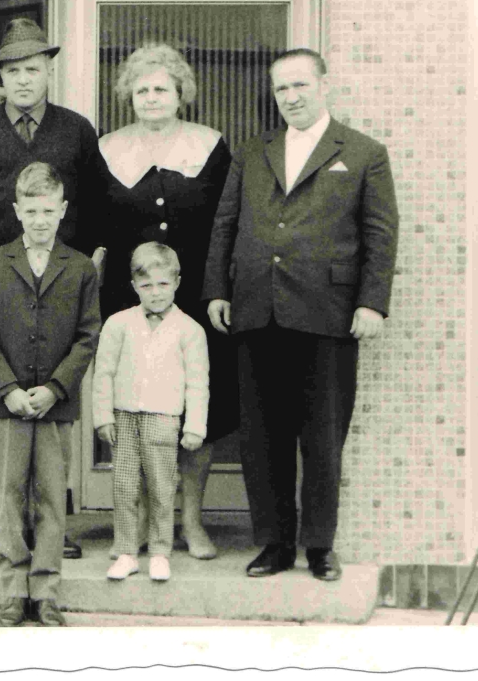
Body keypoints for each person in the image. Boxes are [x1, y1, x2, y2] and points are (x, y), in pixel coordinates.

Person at [202, 48, 399, 582]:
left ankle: (318, 547)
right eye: (281, 89)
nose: (290, 97)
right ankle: (272, 543)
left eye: (299, 86)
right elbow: (226, 223)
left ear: (323, 85)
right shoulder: (253, 151)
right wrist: (218, 289)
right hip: (255, 310)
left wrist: (371, 302)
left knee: (322, 436)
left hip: (328, 314)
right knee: (261, 437)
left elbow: (380, 236)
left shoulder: (362, 153)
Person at [0, 18, 102, 563]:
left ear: (48, 71)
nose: (23, 80)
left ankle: (50, 522)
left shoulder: (76, 131)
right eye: (13, 72)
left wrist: (88, 269)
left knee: (53, 401)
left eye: (33, 69)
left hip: (54, 284)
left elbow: (98, 210)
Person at [91, 44, 235, 560]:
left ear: (180, 94)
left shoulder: (210, 146)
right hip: (126, 301)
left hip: (196, 298)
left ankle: (190, 522)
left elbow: (227, 224)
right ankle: (143, 526)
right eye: (142, 88)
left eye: (162, 88)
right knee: (137, 406)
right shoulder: (106, 149)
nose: (152, 97)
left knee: (200, 410)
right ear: (129, 94)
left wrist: (220, 289)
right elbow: (91, 227)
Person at [0, 162, 101, 627]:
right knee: (8, 493)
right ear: (17, 211)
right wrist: (7, 389)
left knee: (50, 494)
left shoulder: (80, 266)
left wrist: (56, 388)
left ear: (62, 210)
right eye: (31, 210)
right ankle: (13, 590)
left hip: (54, 403)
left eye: (49, 210)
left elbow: (88, 336)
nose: (40, 220)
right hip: (7, 405)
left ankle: (45, 590)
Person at [92, 243, 209, 582]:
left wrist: (195, 426)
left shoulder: (190, 330)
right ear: (133, 286)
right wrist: (103, 416)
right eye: (146, 286)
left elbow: (197, 384)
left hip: (164, 418)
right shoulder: (118, 324)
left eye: (162, 284)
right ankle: (127, 550)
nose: (155, 293)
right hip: (125, 417)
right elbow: (104, 373)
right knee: (125, 485)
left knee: (161, 486)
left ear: (176, 282)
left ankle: (160, 551)